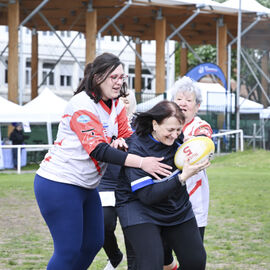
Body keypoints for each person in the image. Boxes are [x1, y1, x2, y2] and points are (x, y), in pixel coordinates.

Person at [33, 52, 172, 270]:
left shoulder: (116, 104)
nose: (119, 82)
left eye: (121, 77)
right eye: (113, 77)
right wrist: (141, 162)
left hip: (86, 186)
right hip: (59, 183)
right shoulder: (81, 104)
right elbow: (97, 150)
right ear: (97, 77)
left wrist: (153, 137)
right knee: (68, 250)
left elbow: (128, 134)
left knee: (92, 243)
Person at [116, 100, 210, 270]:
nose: (175, 135)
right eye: (170, 130)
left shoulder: (178, 140)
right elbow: (147, 195)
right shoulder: (136, 146)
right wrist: (181, 178)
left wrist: (201, 156)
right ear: (155, 124)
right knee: (151, 264)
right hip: (139, 208)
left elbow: (201, 142)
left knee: (195, 262)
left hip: (175, 207)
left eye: (179, 129)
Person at [164, 76, 213, 270]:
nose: (183, 103)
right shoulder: (162, 124)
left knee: (193, 256)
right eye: (179, 99)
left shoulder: (200, 126)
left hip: (194, 195)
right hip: (165, 195)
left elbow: (204, 144)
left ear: (197, 106)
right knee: (161, 252)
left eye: (189, 100)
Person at [99, 89, 137, 270]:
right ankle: (114, 256)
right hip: (105, 182)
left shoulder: (139, 126)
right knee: (104, 226)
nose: (123, 104)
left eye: (127, 101)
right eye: (120, 100)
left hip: (130, 185)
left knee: (132, 233)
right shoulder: (103, 121)